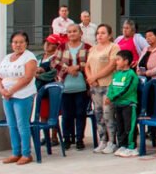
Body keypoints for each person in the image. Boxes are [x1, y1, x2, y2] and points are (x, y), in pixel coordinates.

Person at [0, 31, 38, 164]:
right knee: (12, 125)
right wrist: (2, 90)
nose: (18, 45)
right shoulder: (7, 57)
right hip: (7, 97)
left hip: (22, 95)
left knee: (22, 125)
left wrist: (12, 90)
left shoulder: (29, 57)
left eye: (21, 42)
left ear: (26, 43)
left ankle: (26, 154)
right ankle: (16, 152)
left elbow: (27, 78)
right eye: (15, 42)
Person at [86, 24, 121, 154]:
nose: (99, 35)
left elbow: (111, 66)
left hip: (108, 85)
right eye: (98, 33)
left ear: (110, 35)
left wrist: (95, 76)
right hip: (95, 86)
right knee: (98, 113)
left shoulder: (113, 47)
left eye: (103, 33)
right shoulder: (93, 49)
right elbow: (87, 66)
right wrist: (90, 78)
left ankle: (112, 141)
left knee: (108, 114)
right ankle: (102, 140)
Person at [59, 24, 91, 150]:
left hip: (82, 88)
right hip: (65, 88)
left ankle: (79, 139)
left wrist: (78, 67)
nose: (72, 34)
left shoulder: (88, 47)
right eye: (69, 32)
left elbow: (91, 62)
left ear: (80, 33)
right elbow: (54, 62)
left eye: (74, 31)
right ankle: (67, 139)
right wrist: (68, 69)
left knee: (80, 114)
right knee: (66, 115)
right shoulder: (62, 47)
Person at [104, 50, 139, 158]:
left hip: (128, 104)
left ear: (126, 61)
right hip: (118, 104)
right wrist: (109, 96)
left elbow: (126, 89)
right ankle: (122, 145)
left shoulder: (131, 74)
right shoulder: (116, 74)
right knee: (120, 126)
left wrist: (113, 97)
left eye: (118, 60)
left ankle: (132, 147)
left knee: (129, 126)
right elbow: (112, 87)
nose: (116, 62)